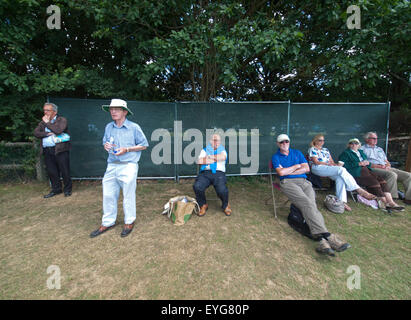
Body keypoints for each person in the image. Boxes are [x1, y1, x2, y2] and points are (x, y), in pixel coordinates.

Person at [272, 134, 351, 257]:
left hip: (304, 182)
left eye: (286, 141)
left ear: (289, 142)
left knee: (311, 205)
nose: (284, 144)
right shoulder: (276, 157)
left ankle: (321, 241)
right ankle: (327, 237)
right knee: (307, 203)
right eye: (281, 142)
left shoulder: (297, 153)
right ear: (278, 144)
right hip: (287, 182)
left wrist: (291, 169)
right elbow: (281, 173)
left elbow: (307, 168)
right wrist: (297, 166)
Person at [90, 99, 149, 238]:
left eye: (117, 109)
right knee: (108, 194)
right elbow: (105, 141)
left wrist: (127, 149)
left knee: (128, 195)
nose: (113, 111)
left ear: (125, 112)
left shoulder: (134, 127)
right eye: (111, 109)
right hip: (111, 165)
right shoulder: (108, 127)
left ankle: (129, 222)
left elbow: (144, 145)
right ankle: (108, 222)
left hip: (129, 165)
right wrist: (106, 145)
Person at [308, 134, 376, 211]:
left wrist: (336, 164)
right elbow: (316, 162)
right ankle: (358, 189)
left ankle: (342, 202)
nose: (322, 142)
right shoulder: (312, 149)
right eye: (320, 140)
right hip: (317, 168)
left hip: (328, 167)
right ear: (315, 141)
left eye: (323, 140)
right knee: (341, 169)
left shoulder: (325, 150)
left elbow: (332, 161)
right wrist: (330, 164)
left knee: (340, 177)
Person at [338, 138, 404, 211]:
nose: (354, 145)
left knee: (382, 181)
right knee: (374, 182)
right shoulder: (346, 153)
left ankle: (391, 202)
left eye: (356, 143)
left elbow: (368, 164)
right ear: (349, 145)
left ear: (359, 145)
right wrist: (358, 163)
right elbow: (343, 165)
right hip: (357, 173)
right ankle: (385, 203)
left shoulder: (361, 152)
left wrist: (368, 163)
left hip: (367, 171)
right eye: (351, 143)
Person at [360, 131, 411, 205]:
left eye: (377, 138)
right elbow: (365, 164)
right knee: (392, 175)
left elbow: (386, 160)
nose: (376, 140)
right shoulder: (362, 149)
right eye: (373, 138)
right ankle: (392, 198)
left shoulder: (379, 149)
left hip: (385, 167)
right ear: (367, 139)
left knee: (408, 175)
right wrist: (379, 166)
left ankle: (409, 199)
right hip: (373, 168)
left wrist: (387, 165)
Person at [34, 102, 72, 198]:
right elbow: (36, 133)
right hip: (47, 150)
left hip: (60, 150)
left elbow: (58, 130)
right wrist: (47, 134)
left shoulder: (61, 120)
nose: (45, 112)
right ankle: (56, 189)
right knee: (52, 171)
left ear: (54, 112)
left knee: (64, 170)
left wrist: (48, 123)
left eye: (48, 110)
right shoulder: (42, 122)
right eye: (44, 110)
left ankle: (67, 190)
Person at [193, 134, 232, 217]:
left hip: (218, 173)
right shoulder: (204, 150)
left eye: (218, 140)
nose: (216, 142)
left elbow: (222, 157)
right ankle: (203, 204)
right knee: (197, 186)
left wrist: (209, 157)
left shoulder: (222, 149)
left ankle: (225, 205)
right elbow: (199, 161)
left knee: (222, 190)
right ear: (210, 141)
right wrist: (214, 158)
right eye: (214, 140)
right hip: (205, 173)